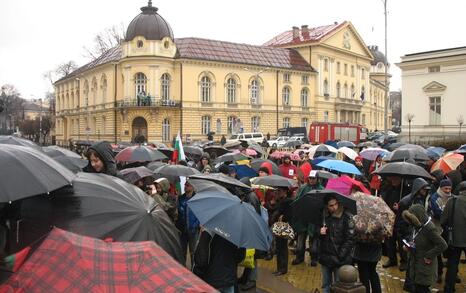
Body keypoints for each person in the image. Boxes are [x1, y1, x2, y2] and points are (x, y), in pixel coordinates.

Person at [402, 204, 447, 293]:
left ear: (418, 217)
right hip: (416, 266)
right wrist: (409, 245)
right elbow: (415, 239)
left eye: (412, 218)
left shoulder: (429, 228)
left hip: (424, 268)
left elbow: (443, 245)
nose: (410, 221)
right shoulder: (415, 226)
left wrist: (429, 256)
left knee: (422, 289)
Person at [318, 194, 355, 293]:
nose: (334, 207)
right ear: (326, 206)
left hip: (339, 259)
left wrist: (340, 255)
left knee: (338, 286)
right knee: (326, 284)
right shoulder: (323, 216)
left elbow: (350, 239)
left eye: (336, 204)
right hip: (325, 256)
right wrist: (320, 232)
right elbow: (317, 235)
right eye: (331, 205)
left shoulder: (347, 217)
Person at [193, 227, 245, 293]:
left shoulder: (209, 229)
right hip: (230, 280)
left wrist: (197, 276)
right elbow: (240, 257)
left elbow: (201, 260)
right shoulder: (238, 232)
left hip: (211, 281)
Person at [292, 170, 323, 266]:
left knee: (314, 242)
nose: (311, 180)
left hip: (314, 219)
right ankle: (299, 257)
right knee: (300, 242)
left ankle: (314, 258)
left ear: (317, 179)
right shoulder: (303, 188)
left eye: (313, 178)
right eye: (310, 178)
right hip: (303, 219)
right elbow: (297, 200)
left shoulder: (321, 189)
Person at [380, 176, 410, 270]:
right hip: (389, 218)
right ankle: (392, 259)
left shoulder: (406, 190)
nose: (394, 180)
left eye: (396, 179)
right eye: (393, 179)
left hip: (401, 219)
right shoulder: (388, 189)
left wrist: (400, 207)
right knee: (390, 241)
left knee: (401, 241)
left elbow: (409, 205)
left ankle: (404, 261)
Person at [440, 184, 466, 293]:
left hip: (455, 239)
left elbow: (443, 220)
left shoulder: (453, 201)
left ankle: (449, 289)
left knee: (452, 265)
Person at [271, 187, 293, 276]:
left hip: (282, 227)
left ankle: (282, 269)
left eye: (279, 191)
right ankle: (280, 268)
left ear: (285, 192)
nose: (278, 192)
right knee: (279, 248)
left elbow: (288, 214)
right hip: (278, 226)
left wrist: (282, 217)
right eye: (277, 191)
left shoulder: (287, 201)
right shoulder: (280, 200)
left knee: (282, 248)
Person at [176, 181, 200, 266]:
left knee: (194, 252)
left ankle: (194, 271)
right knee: (182, 252)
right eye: (185, 185)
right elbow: (177, 213)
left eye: (187, 185)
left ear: (192, 187)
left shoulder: (197, 199)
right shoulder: (180, 198)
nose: (185, 187)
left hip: (193, 230)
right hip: (182, 230)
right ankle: (182, 270)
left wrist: (196, 225)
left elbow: (200, 214)